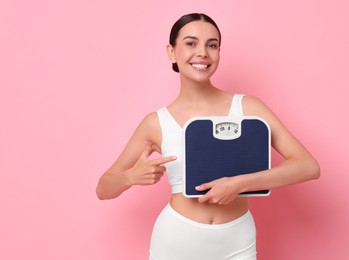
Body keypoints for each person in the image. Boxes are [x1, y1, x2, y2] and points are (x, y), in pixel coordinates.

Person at [96, 13, 320, 260]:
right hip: (176, 241)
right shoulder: (156, 123)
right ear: (172, 52)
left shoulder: (247, 108)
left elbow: (308, 167)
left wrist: (239, 183)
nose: (202, 52)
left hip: (237, 241)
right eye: (191, 43)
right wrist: (131, 177)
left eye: (212, 45)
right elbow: (103, 189)